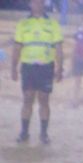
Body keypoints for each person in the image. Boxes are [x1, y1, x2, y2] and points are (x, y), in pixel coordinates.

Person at [12, 0, 63, 145]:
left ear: (43, 4)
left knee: (44, 99)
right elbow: (17, 47)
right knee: (27, 98)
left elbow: (58, 48)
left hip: (46, 67)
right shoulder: (23, 24)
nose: (37, 4)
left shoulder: (52, 24)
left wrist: (60, 67)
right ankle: (24, 132)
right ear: (30, 4)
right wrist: (13, 68)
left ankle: (43, 133)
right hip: (28, 66)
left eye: (40, 2)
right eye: (34, 2)